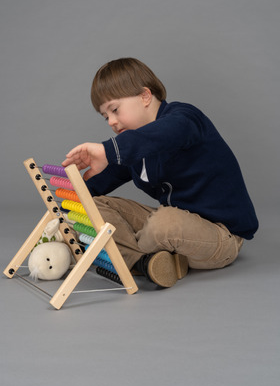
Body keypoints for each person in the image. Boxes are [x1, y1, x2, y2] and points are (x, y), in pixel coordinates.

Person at [62, 57, 258, 288]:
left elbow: (163, 135)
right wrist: (68, 204)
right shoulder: (133, 146)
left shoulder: (184, 118)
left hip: (219, 236)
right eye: (106, 116)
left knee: (163, 222)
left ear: (145, 96)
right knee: (93, 206)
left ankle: (130, 255)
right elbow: (100, 182)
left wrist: (107, 150)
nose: (111, 122)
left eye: (115, 109)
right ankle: (147, 262)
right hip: (172, 227)